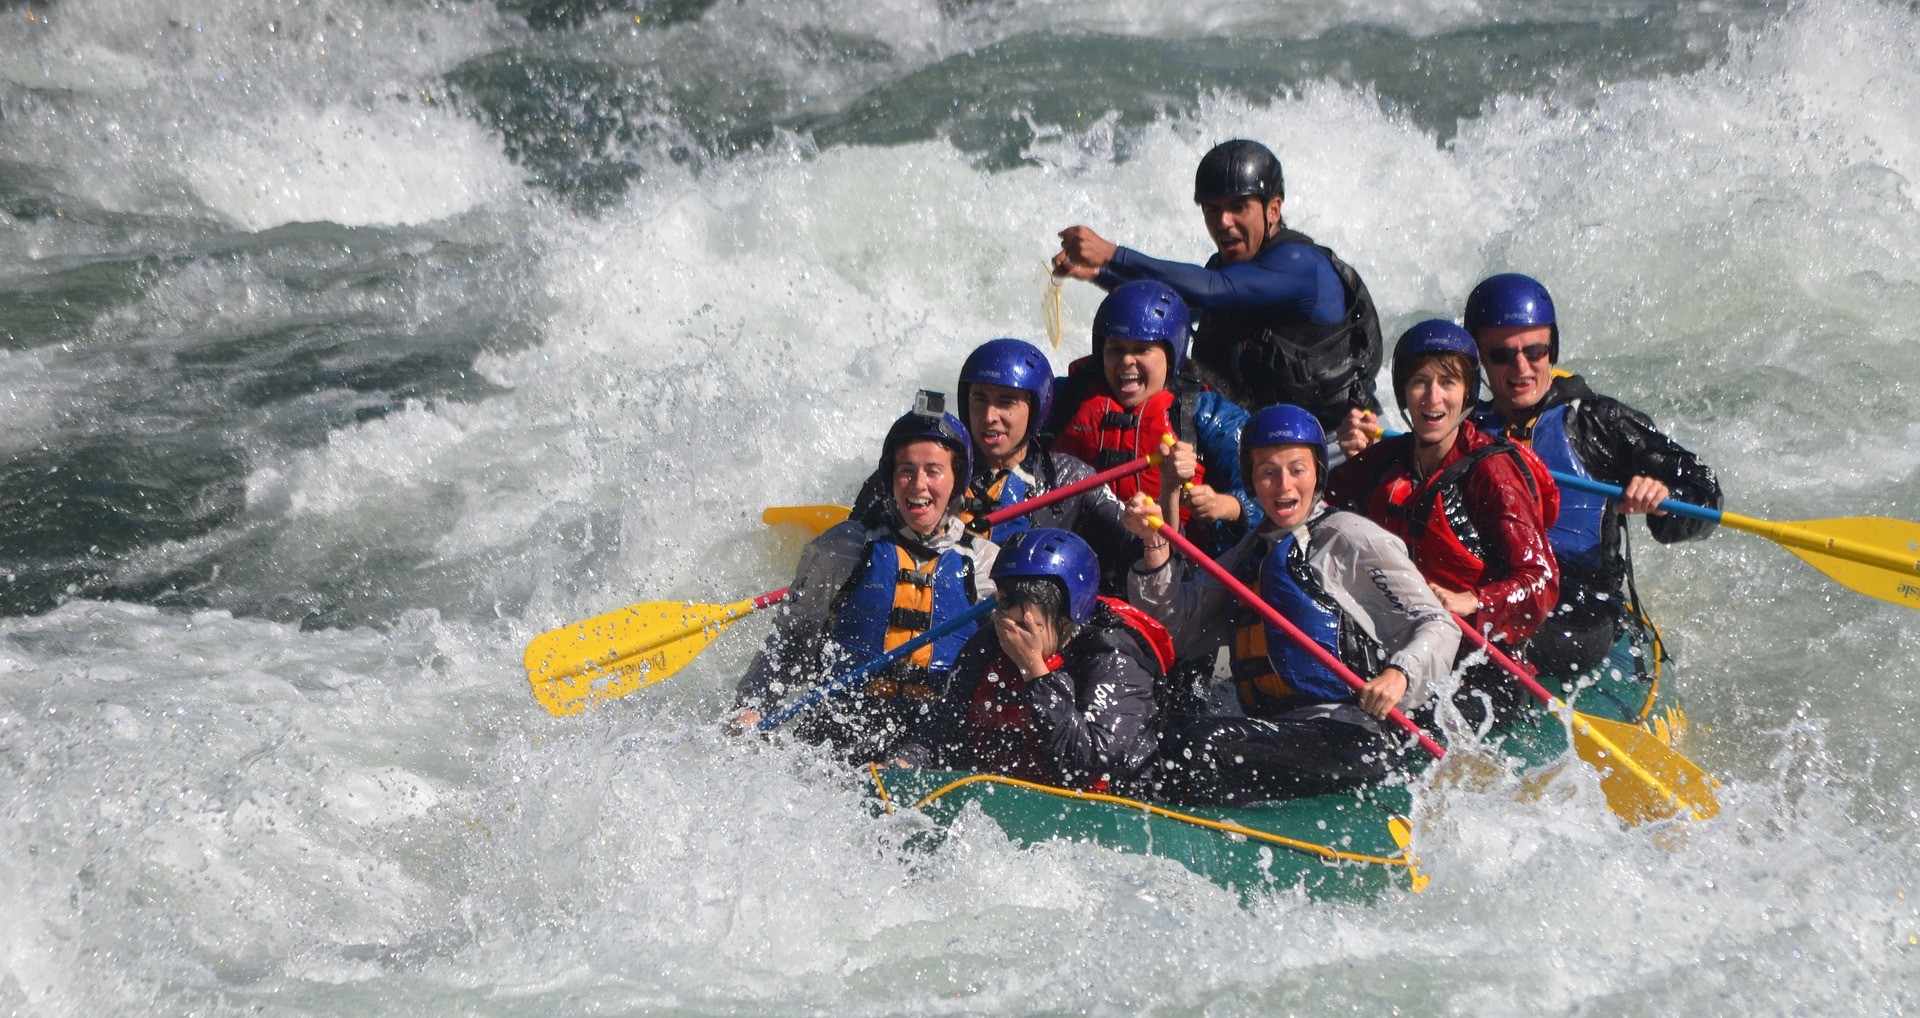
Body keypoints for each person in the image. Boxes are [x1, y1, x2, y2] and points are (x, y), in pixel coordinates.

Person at [1123, 405, 1459, 805]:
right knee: (1169, 728)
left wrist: (1399, 675)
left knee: (1202, 743)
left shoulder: (1349, 537)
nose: (1284, 486)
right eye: (1268, 472)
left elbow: (1439, 625)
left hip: (1352, 733)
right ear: (1252, 480)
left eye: (1297, 470)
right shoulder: (1249, 551)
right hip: (1277, 730)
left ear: (1317, 472)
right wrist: (1153, 542)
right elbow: (1175, 632)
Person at [1464, 273, 1722, 678]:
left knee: (1510, 636)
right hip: (1493, 591)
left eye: (1535, 351)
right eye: (1502, 355)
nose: (1521, 367)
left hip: (1577, 609)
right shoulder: (1463, 429)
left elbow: (1706, 495)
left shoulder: (1599, 423)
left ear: (1553, 349)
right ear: (1478, 356)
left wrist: (1663, 499)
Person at [1052, 139, 1383, 439]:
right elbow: (1181, 307)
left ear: (1273, 209)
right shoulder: (1225, 271)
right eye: (1212, 209)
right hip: (1250, 437)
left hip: (1332, 441)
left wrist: (1113, 254)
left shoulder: (1301, 266)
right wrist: (1099, 273)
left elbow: (1212, 290)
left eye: (1238, 207)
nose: (1223, 222)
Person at [733, 395, 999, 761]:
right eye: (906, 470)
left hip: (931, 741)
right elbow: (790, 641)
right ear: (891, 477)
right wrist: (753, 707)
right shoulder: (844, 548)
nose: (918, 485)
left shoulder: (984, 565)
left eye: (933, 471)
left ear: (955, 481)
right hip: (838, 732)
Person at [1325, 321, 1559, 731]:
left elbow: (1542, 581)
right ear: (1403, 395)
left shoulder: (1493, 474)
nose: (1434, 397)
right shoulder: (1383, 461)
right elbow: (1315, 506)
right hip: (1394, 646)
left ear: (1467, 392)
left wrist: (1475, 600)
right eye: (1420, 382)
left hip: (1477, 667)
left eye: (1448, 382)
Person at [894, 528, 1171, 790]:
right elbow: (944, 725)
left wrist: (1035, 671)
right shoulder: (989, 643)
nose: (1005, 622)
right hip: (1007, 798)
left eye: (1020, 615)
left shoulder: (1113, 660)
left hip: (1102, 812)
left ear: (1064, 620)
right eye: (1001, 603)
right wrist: (907, 762)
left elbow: (1086, 763)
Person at [850, 338, 1133, 568]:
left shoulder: (1070, 479)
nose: (988, 416)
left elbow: (1134, 547)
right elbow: (856, 536)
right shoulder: (927, 466)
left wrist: (1168, 494)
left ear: (1036, 409)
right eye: (979, 399)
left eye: (1006, 402)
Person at [1045, 280, 1253, 558]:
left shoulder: (1206, 413)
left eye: (1142, 349)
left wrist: (1226, 506)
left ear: (1172, 355)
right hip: (1072, 556)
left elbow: (1264, 490)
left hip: (1177, 567)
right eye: (1116, 349)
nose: (1127, 361)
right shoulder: (1066, 398)